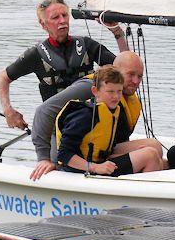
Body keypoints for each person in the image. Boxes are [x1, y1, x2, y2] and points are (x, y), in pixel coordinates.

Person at [0, 0, 128, 129]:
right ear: (43, 24)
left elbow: (125, 68)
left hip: (92, 122)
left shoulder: (86, 45)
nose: (62, 21)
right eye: (55, 17)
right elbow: (3, 78)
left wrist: (117, 32)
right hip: (58, 128)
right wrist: (8, 111)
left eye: (64, 15)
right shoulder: (35, 54)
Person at [29, 50, 161, 180]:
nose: (136, 81)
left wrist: (119, 35)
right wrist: (44, 159)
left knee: (155, 147)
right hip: (81, 160)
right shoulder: (91, 91)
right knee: (150, 155)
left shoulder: (119, 96)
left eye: (139, 76)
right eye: (131, 74)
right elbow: (44, 112)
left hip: (102, 152)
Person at [56, 65, 164, 175]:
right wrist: (95, 167)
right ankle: (142, 190)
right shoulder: (85, 115)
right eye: (110, 91)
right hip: (86, 168)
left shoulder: (111, 110)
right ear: (95, 91)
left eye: (119, 91)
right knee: (150, 155)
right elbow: (63, 154)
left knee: (154, 146)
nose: (116, 97)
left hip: (102, 158)